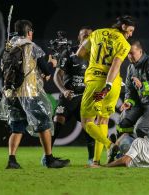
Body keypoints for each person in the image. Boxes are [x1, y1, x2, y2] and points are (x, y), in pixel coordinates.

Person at [0, 20, 69, 169]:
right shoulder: (31, 46)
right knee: (44, 124)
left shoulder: (9, 46)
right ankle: (49, 159)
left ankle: (12, 160)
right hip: (29, 93)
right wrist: (52, 64)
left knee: (17, 127)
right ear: (29, 32)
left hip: (11, 94)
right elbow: (46, 69)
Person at [76, 15, 135, 165]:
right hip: (113, 84)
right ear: (123, 27)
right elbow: (116, 64)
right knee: (103, 119)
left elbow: (79, 54)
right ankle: (96, 161)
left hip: (96, 83)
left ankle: (110, 145)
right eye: (130, 30)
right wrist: (109, 84)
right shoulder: (124, 43)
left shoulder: (96, 33)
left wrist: (94, 59)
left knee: (86, 121)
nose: (131, 34)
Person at [49, 27, 95, 165]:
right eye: (84, 35)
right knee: (58, 119)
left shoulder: (96, 54)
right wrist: (63, 90)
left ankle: (91, 158)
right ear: (79, 37)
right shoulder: (68, 53)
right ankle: (47, 155)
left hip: (86, 96)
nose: (87, 38)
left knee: (89, 126)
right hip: (69, 95)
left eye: (90, 36)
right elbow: (57, 75)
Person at [116, 40, 149, 138]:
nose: (129, 56)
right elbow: (130, 90)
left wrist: (143, 86)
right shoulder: (130, 68)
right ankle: (126, 149)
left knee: (141, 129)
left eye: (132, 53)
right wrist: (129, 102)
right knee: (123, 123)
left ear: (140, 51)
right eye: (128, 53)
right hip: (141, 103)